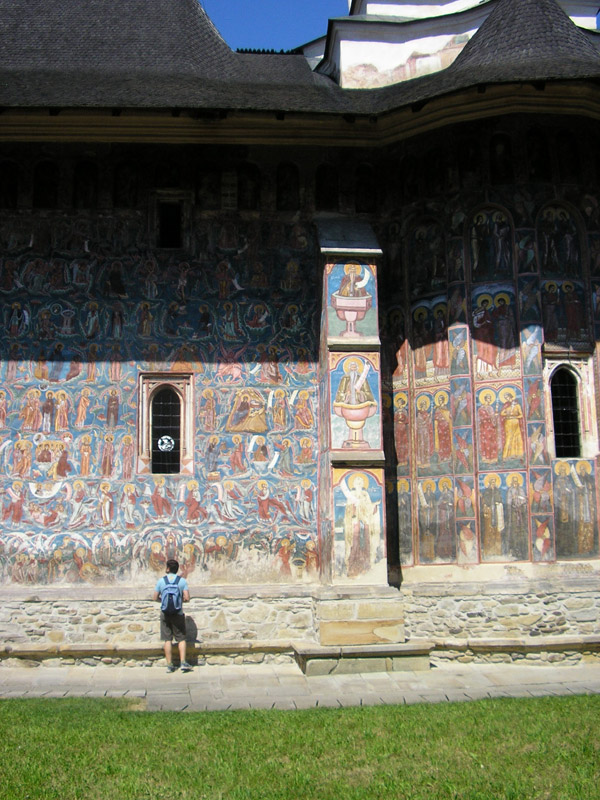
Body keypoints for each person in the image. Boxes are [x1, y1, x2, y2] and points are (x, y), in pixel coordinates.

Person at [153, 559, 192, 673]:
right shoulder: (182, 581)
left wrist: (162, 601)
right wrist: (179, 601)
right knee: (181, 639)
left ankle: (169, 664)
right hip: (178, 612)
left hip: (165, 612)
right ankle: (183, 662)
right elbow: (187, 598)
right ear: (177, 569)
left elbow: (154, 597)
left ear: (168, 569)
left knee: (167, 639)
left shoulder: (161, 581)